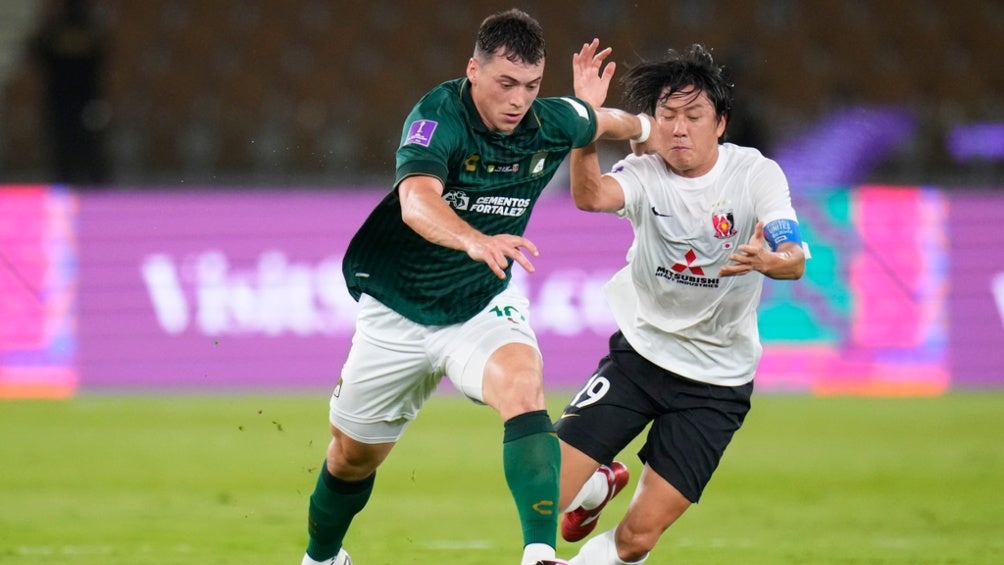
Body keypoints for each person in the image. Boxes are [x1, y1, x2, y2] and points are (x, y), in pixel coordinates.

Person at [299, 10, 650, 565]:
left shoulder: (552, 121)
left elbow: (606, 121)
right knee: (350, 457)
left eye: (531, 86)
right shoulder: (438, 117)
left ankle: (539, 553)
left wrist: (648, 132)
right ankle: (322, 558)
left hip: (481, 302)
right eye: (506, 83)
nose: (518, 100)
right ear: (473, 71)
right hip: (397, 308)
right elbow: (416, 200)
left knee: (523, 388)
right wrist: (472, 239)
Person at [553, 44, 808, 565]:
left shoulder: (754, 174)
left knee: (637, 540)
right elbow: (590, 197)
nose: (678, 129)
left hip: (716, 382)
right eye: (667, 116)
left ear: (721, 124)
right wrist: (586, 125)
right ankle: (595, 486)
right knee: (543, 490)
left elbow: (794, 254)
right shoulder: (645, 172)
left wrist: (772, 260)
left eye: (693, 116)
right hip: (640, 358)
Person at [28, 0, 111, 186]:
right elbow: (37, 53)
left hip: (82, 98)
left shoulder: (89, 30)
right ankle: (73, 183)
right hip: (64, 98)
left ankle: (92, 184)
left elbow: (102, 58)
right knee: (64, 146)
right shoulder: (56, 30)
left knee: (88, 145)